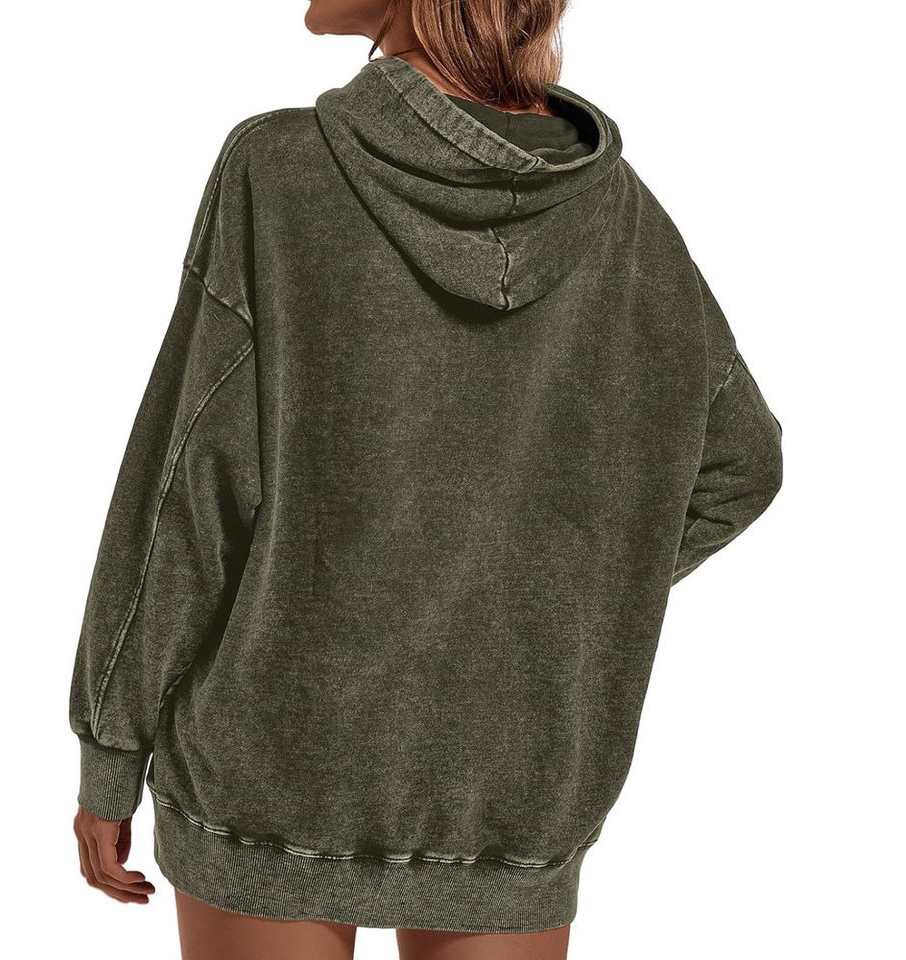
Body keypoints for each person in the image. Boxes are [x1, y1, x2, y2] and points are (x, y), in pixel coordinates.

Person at [68, 1, 784, 958]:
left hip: (273, 763)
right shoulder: (621, 214)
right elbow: (742, 463)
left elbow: (185, 482)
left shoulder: (280, 171)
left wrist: (110, 747)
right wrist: (551, 590)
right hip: (515, 781)